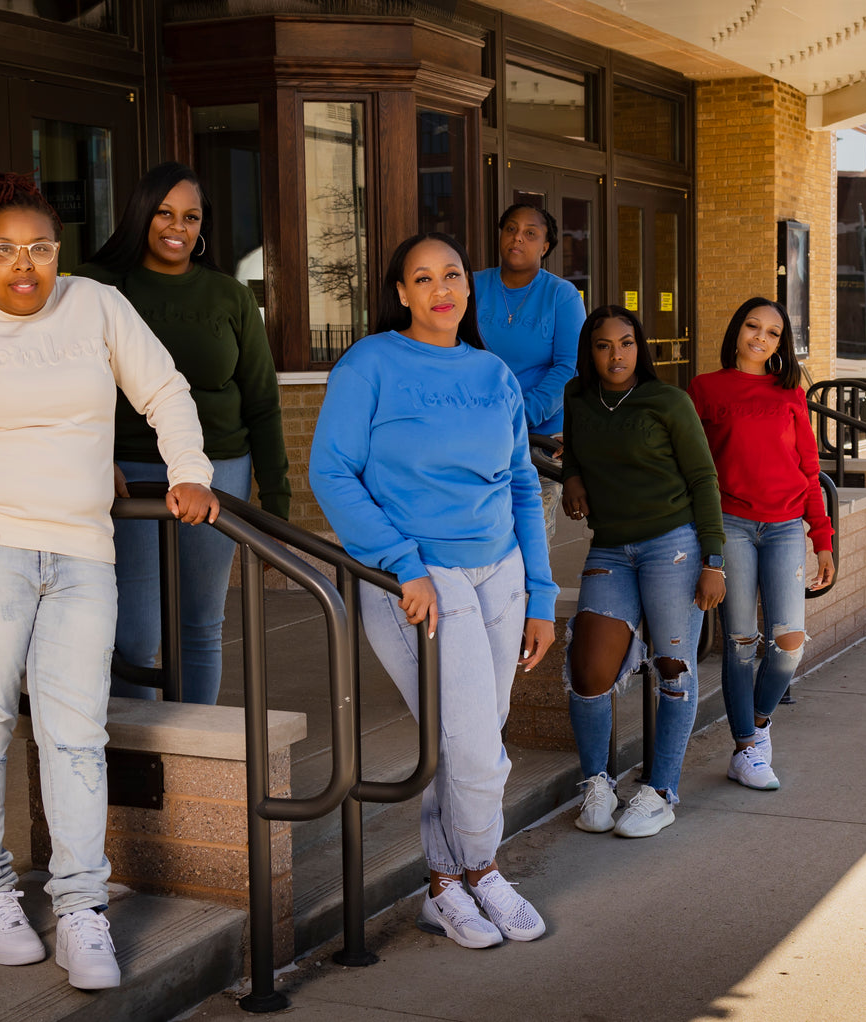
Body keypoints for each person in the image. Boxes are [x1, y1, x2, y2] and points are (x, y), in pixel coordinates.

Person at [0, 170, 219, 990]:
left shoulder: (95, 306)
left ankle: (82, 906)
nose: (26, 267)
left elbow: (163, 389)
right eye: (7, 251)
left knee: (75, 731)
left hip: (83, 551)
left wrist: (187, 469)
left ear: (60, 252)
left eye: (41, 249)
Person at [310, 232, 558, 949]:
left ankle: (442, 885)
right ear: (400, 294)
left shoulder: (492, 373)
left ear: (467, 287)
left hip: (501, 570)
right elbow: (331, 473)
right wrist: (399, 562)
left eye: (451, 274)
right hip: (417, 575)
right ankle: (481, 870)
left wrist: (540, 593)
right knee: (474, 746)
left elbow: (519, 482)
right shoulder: (370, 364)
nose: (440, 288)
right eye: (422, 278)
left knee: (466, 739)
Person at [77, 162, 288, 705]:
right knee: (136, 632)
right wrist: (94, 458)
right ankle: (141, 761)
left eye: (191, 216)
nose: (178, 226)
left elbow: (262, 402)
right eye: (165, 213)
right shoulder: (96, 286)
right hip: (127, 472)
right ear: (140, 215)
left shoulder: (230, 297)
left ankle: (197, 753)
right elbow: (67, 385)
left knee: (199, 622)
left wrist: (277, 504)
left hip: (217, 469)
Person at [560, 305, 726, 838]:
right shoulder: (576, 397)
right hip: (610, 547)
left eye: (627, 343)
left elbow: (703, 479)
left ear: (640, 347)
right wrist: (572, 477)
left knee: (673, 667)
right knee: (589, 669)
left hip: (672, 545)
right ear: (590, 351)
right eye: (604, 345)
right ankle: (598, 783)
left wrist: (713, 560)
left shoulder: (667, 401)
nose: (617, 355)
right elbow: (577, 451)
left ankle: (660, 792)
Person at [688, 296, 835, 791]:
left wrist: (824, 538)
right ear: (737, 330)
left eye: (773, 332)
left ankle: (757, 724)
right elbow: (696, 466)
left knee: (789, 643)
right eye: (753, 326)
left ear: (781, 342)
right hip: (731, 523)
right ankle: (747, 749)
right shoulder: (705, 388)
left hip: (787, 525)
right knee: (740, 642)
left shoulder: (790, 391)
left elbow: (810, 469)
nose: (761, 337)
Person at [473, 203, 585, 538]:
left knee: (530, 538)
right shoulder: (472, 287)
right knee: (482, 533)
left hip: (538, 440)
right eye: (510, 228)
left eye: (530, 233)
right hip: (477, 433)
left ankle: (527, 593)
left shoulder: (560, 295)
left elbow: (569, 366)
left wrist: (520, 415)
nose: (517, 238)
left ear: (545, 246)